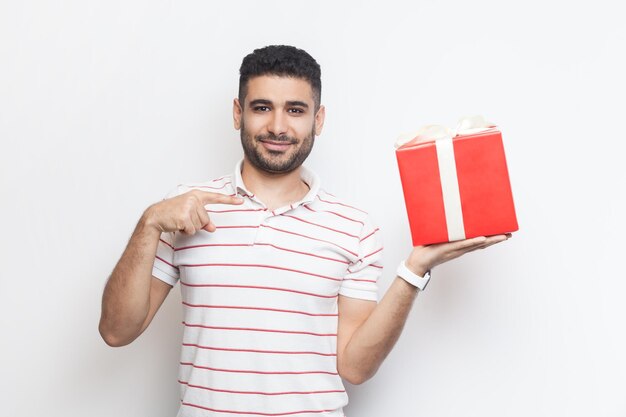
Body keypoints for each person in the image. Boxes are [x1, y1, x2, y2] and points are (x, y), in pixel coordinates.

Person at [99, 45, 510, 417]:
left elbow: (354, 366)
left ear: (319, 118)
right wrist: (148, 222)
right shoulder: (183, 208)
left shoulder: (354, 227)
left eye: (295, 110)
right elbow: (117, 331)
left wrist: (416, 267)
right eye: (262, 107)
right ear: (238, 113)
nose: (278, 126)